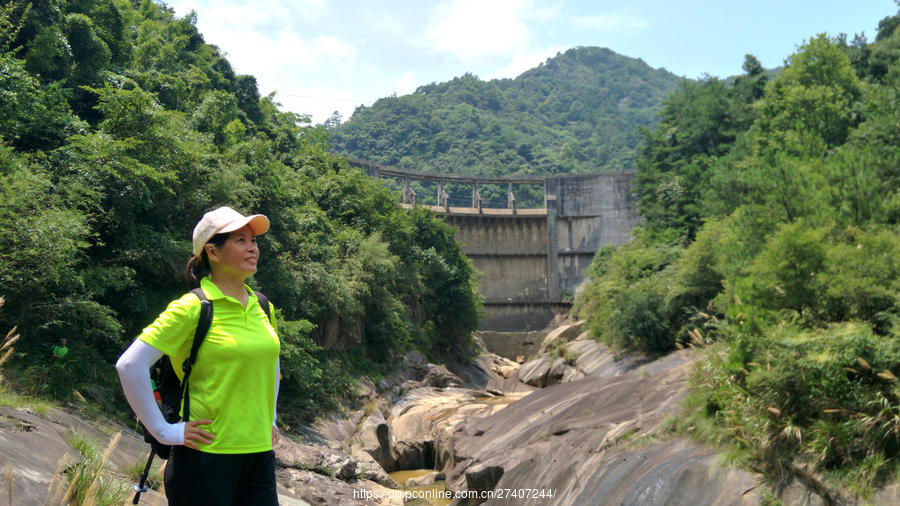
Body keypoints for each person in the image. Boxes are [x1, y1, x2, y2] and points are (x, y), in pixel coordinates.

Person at [116, 206, 281, 505]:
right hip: (205, 459)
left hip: (258, 456)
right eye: (240, 240)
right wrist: (165, 431)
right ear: (213, 252)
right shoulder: (192, 308)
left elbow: (272, 359)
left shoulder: (262, 306)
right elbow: (129, 365)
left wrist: (270, 417)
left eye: (254, 241)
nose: (252, 247)